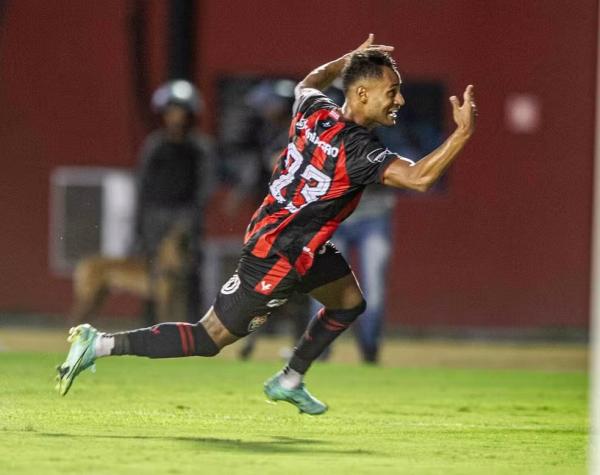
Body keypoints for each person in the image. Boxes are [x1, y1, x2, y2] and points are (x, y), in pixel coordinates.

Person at [56, 34, 477, 415]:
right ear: (363, 94)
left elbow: (308, 82)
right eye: (393, 91)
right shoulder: (358, 149)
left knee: (349, 302)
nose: (399, 100)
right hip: (278, 252)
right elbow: (420, 177)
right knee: (209, 338)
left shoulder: (316, 109)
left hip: (300, 244)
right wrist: (460, 136)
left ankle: (290, 379)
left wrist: (345, 58)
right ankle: (102, 344)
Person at [134, 79, 216, 322]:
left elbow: (206, 183)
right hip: (154, 215)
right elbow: (143, 184)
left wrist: (192, 218)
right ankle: (149, 325)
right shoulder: (155, 145)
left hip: (186, 215)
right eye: (170, 111)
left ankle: (191, 325)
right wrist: (141, 222)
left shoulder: (201, 147)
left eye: (180, 110)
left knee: (188, 271)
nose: (175, 116)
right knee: (152, 270)